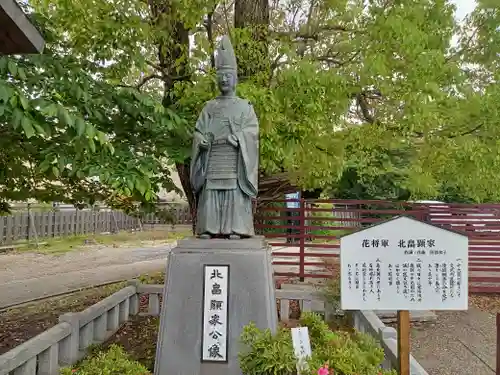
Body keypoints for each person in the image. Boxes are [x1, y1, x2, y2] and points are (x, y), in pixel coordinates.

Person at [190, 35, 259, 239]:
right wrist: (200, 141)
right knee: (210, 193)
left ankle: (235, 229)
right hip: (212, 159)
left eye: (228, 75)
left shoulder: (245, 108)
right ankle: (208, 228)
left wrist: (239, 137)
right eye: (221, 75)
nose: (224, 79)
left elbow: (252, 132)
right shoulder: (209, 107)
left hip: (233, 161)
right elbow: (198, 131)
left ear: (235, 78)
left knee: (234, 192)